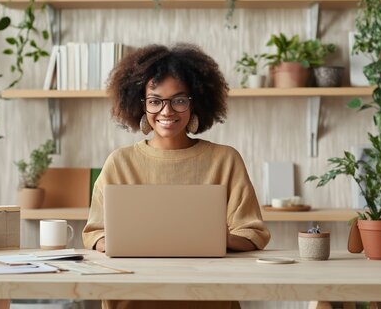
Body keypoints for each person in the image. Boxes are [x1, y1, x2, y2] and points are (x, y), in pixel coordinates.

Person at [82, 43, 271, 309]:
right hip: (133, 298)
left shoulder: (225, 160)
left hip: (207, 299)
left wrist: (211, 238)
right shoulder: (120, 162)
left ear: (196, 104)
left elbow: (252, 234)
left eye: (179, 100)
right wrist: (110, 241)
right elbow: (95, 233)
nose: (167, 111)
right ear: (141, 104)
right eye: (155, 100)